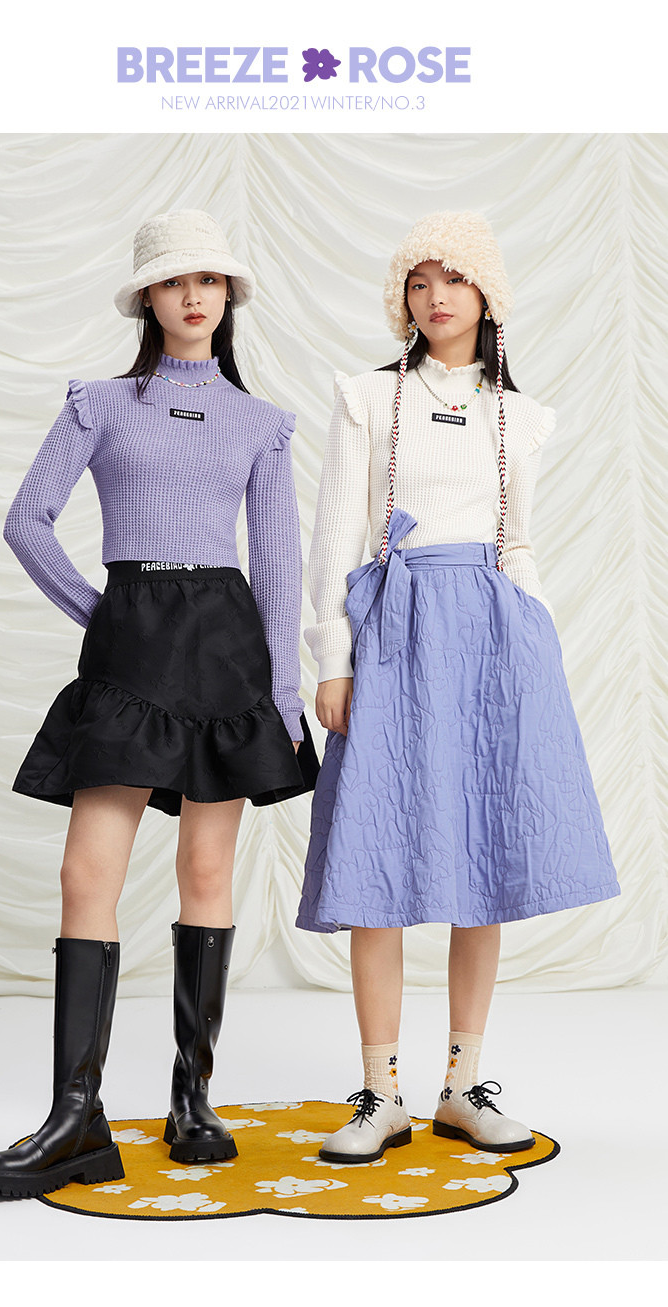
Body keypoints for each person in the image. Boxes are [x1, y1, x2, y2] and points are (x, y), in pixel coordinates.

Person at [0, 208, 318, 1199]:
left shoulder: (261, 423)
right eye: (175, 280)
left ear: (228, 296)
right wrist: (102, 612)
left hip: (226, 646)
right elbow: (26, 520)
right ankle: (75, 1115)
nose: (194, 296)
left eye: (210, 280)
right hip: (132, 643)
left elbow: (279, 566)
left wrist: (285, 693)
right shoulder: (101, 404)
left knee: (207, 868)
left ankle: (192, 1099)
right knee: (88, 871)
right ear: (148, 298)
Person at [296, 211, 620, 1164]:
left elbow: (517, 542)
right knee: (378, 861)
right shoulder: (368, 396)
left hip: (493, 637)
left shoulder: (520, 415)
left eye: (454, 279)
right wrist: (331, 658)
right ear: (402, 298)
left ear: (487, 295)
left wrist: (537, 644)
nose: (435, 297)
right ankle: (380, 1091)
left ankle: (461, 1084)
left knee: (485, 855)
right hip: (393, 629)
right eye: (419, 281)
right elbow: (336, 537)